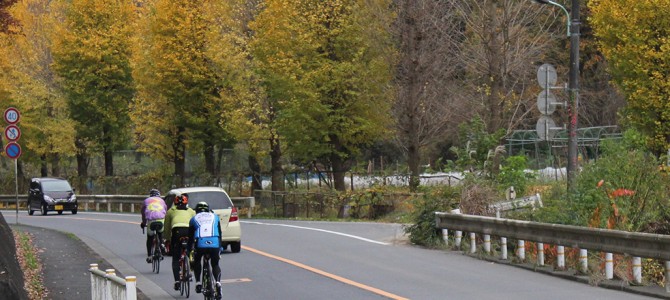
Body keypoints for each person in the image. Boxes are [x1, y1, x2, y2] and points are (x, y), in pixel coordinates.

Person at [187, 202, 222, 299]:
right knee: (215, 264)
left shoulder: (193, 219)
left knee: (197, 260)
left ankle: (198, 282)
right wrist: (220, 247)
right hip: (215, 241)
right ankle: (218, 283)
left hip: (201, 242)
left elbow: (190, 238)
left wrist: (189, 250)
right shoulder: (215, 217)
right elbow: (220, 233)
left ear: (196, 211)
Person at [164, 193, 196, 291]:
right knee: (190, 249)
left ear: (175, 203)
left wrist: (167, 239)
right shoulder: (191, 211)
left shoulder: (170, 211)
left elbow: (167, 227)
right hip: (188, 231)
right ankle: (190, 262)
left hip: (177, 231)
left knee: (176, 257)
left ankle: (177, 281)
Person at [140, 188, 167, 263]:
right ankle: (161, 243)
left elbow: (143, 213)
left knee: (150, 238)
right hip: (161, 219)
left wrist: (144, 223)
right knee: (160, 234)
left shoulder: (146, 201)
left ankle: (149, 256)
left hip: (151, 220)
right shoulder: (162, 201)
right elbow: (165, 212)